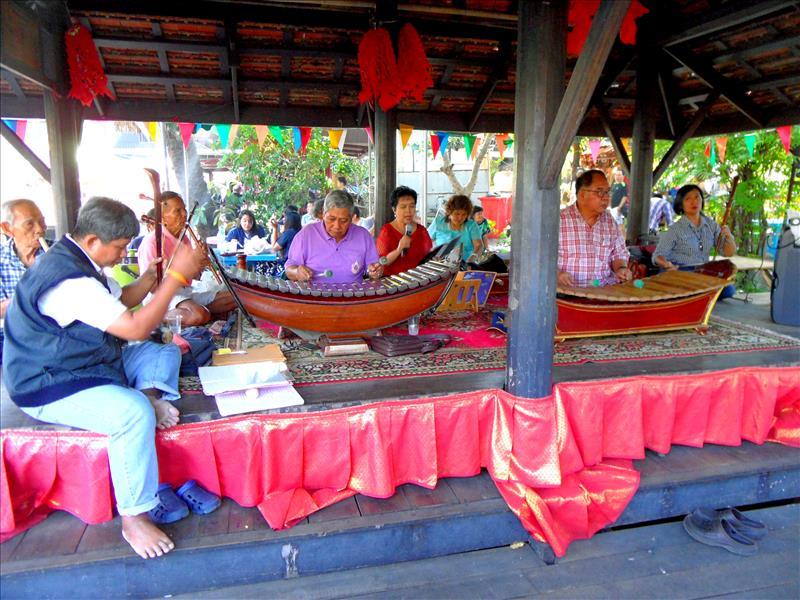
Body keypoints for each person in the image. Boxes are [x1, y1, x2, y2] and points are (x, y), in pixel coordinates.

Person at [3, 197, 205, 560]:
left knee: (165, 349)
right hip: (48, 382)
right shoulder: (69, 281)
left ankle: (146, 393)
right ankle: (134, 518)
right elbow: (134, 326)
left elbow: (123, 300)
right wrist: (175, 278)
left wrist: (149, 278)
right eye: (119, 246)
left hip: (86, 362)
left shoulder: (79, 259)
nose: (123, 252)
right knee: (131, 415)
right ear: (94, 240)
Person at [138, 191, 235, 326]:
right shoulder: (152, 242)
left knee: (233, 298)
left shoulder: (183, 238)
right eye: (177, 211)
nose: (184, 214)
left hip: (184, 293)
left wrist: (199, 263)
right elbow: (154, 287)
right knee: (199, 314)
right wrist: (187, 266)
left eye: (184, 209)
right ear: (163, 217)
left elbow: (193, 277)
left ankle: (197, 311)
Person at [285, 189, 382, 284]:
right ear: (323, 213)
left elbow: (373, 268)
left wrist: (375, 272)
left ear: (352, 217)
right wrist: (297, 272)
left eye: (343, 220)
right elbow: (289, 269)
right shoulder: (306, 235)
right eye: (331, 219)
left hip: (353, 297)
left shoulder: (363, 236)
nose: (337, 226)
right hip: (315, 298)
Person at [558, 169, 631, 287]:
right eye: (599, 192)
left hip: (603, 292)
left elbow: (619, 253)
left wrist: (621, 269)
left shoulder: (609, 222)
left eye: (607, 192)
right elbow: (539, 258)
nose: (606, 198)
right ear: (582, 194)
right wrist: (557, 274)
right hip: (567, 295)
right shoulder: (559, 221)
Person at [652, 184, 736, 273]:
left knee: (728, 286)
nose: (694, 202)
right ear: (681, 205)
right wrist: (666, 264)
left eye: (697, 197)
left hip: (704, 271)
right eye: (688, 199)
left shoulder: (711, 225)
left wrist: (728, 236)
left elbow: (728, 253)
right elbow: (657, 256)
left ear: (702, 200)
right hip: (681, 271)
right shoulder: (675, 229)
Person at [1, 199, 48, 359]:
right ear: (7, 229)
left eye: (42, 222)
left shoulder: (60, 255)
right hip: (10, 339)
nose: (40, 229)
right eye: (30, 224)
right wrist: (27, 297)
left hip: (53, 337)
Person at [376, 186, 433, 277]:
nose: (408, 211)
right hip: (394, 285)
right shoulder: (387, 231)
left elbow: (429, 257)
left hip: (419, 282)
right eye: (403, 207)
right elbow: (382, 262)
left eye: (412, 206)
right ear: (394, 209)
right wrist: (399, 250)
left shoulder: (422, 231)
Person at [427, 194, 483, 261]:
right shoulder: (438, 223)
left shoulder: (471, 225)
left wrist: (473, 257)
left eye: (464, 214)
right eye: (457, 214)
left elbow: (478, 245)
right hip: (441, 263)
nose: (460, 218)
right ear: (449, 212)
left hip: (465, 264)